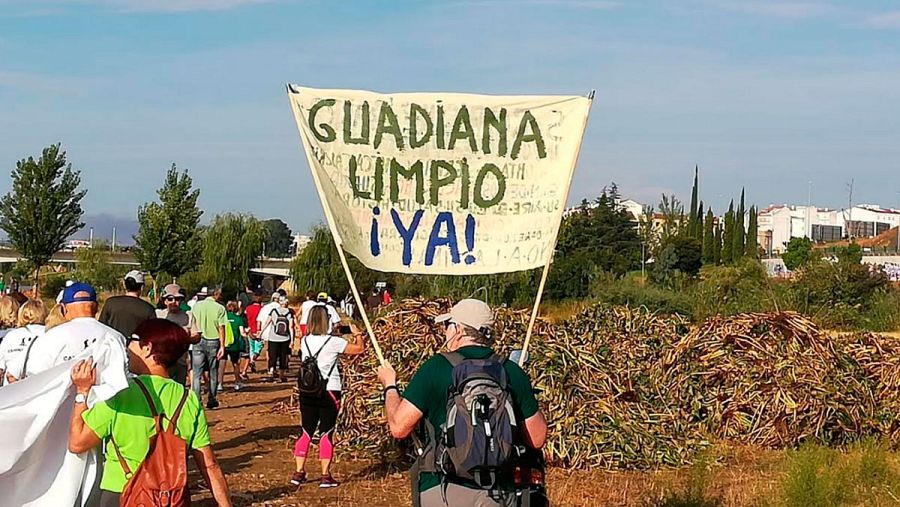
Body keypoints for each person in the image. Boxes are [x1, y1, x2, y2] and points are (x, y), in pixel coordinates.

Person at [376, 299, 548, 507]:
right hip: (498, 491)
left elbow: (398, 427)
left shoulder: (436, 367)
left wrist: (389, 385)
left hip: (442, 489)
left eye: (447, 325)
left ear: (458, 330)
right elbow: (537, 438)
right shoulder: (511, 371)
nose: (445, 332)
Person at [68, 318, 232, 507]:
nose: (128, 347)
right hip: (171, 496)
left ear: (148, 348)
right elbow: (209, 464)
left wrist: (82, 393)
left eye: (133, 340)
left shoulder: (121, 395)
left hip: (121, 493)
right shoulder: (188, 399)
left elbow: (77, 443)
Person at [291, 306, 365, 488]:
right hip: (329, 390)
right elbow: (359, 349)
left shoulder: (306, 340)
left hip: (307, 391)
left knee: (306, 430)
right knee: (326, 432)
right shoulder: (333, 342)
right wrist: (357, 334)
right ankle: (325, 475)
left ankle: (299, 472)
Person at [24, 283, 126, 377]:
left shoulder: (50, 338)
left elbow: (35, 377)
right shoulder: (116, 337)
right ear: (96, 307)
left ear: (64, 308)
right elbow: (124, 377)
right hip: (106, 397)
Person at [190, 286, 228, 409]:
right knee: (213, 371)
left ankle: (196, 400)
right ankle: (211, 399)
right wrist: (222, 346)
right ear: (216, 294)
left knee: (197, 373)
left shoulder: (196, 306)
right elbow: (221, 327)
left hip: (198, 340)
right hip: (213, 340)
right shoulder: (220, 308)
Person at [156, 284, 201, 385]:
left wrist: (185, 338)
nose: (173, 302)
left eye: (177, 299)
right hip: (161, 362)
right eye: (170, 299)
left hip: (180, 362)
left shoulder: (188, 316)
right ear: (165, 301)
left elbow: (196, 336)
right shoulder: (158, 315)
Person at [0, 298, 47, 385]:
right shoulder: (51, 334)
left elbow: (0, 368)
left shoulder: (11, 336)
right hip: (41, 388)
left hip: (12, 391)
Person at [99, 270, 156, 338]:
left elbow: (101, 327)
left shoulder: (110, 303)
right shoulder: (148, 309)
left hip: (112, 346)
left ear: (124, 285)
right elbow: (152, 334)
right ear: (142, 287)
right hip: (136, 347)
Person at [260, 295, 294, 383]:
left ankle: (271, 372)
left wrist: (261, 332)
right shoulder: (289, 313)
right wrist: (292, 340)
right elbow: (291, 327)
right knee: (283, 357)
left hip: (273, 337)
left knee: (272, 356)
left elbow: (267, 322)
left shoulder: (274, 311)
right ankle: (281, 375)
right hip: (285, 338)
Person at [220, 301, 248, 390]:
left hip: (223, 344)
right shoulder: (238, 319)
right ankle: (237, 383)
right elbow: (242, 333)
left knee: (222, 364)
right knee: (236, 364)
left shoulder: (222, 318)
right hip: (235, 345)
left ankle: (220, 384)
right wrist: (248, 332)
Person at [243, 290, 264, 375]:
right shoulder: (262, 309)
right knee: (258, 349)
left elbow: (245, 319)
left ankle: (252, 361)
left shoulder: (248, 308)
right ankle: (253, 360)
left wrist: (247, 329)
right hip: (260, 331)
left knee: (251, 348)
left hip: (250, 331)